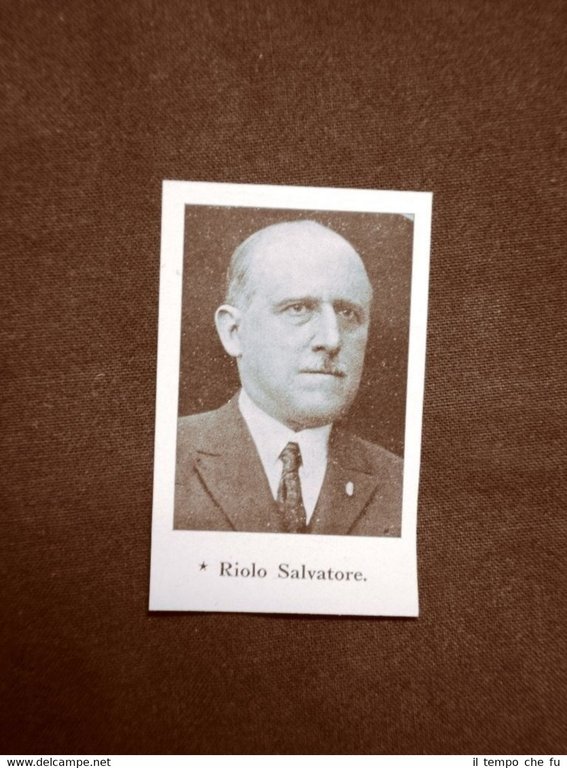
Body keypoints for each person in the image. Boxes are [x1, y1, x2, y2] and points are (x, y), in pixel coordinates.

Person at [174, 220, 402, 536]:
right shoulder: (166, 457)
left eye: (348, 313)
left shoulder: (402, 484)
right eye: (298, 309)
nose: (332, 339)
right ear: (233, 332)